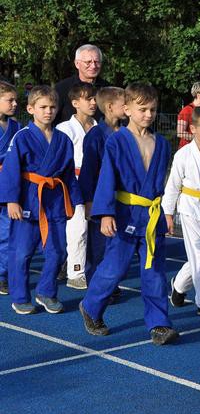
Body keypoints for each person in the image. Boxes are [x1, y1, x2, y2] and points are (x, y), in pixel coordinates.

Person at [79, 83, 178, 345]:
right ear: (127, 109)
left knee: (154, 271)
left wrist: (167, 212)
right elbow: (107, 177)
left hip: (152, 215)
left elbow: (161, 184)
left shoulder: (162, 145)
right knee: (114, 268)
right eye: (142, 109)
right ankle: (91, 306)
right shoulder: (117, 141)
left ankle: (159, 324)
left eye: (153, 109)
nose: (148, 114)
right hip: (124, 214)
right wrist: (105, 214)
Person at [0, 86, 82, 315]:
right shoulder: (22, 137)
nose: (48, 111)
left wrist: (74, 201)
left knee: (58, 251)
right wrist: (11, 201)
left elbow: (68, 174)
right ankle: (20, 296)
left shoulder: (63, 140)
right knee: (21, 252)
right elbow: (11, 170)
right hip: (28, 200)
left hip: (54, 201)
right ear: (31, 109)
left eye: (52, 107)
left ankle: (46, 291)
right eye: (43, 107)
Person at [164, 105, 200, 317]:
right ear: (193, 128)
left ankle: (178, 287)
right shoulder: (184, 154)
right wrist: (168, 214)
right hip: (190, 208)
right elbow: (172, 185)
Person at [78, 87, 126, 288]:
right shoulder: (96, 135)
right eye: (124, 104)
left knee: (118, 243)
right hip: (100, 196)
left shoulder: (128, 133)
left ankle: (111, 282)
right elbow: (88, 171)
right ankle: (96, 283)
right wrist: (89, 202)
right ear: (109, 107)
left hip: (125, 197)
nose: (127, 107)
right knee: (99, 245)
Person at [55, 82, 97, 290]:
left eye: (93, 98)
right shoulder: (64, 128)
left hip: (96, 182)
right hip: (72, 182)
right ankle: (76, 272)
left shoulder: (98, 127)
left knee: (94, 230)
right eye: (87, 99)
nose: (93, 102)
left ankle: (88, 268)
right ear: (75, 103)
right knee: (77, 227)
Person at [0, 81, 21, 297]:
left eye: (16, 100)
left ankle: (2, 275)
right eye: (9, 100)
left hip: (8, 186)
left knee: (7, 233)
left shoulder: (17, 128)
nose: (15, 104)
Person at [54, 44, 110, 124]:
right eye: (88, 62)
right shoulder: (62, 88)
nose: (93, 66)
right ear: (77, 64)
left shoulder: (108, 89)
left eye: (97, 62)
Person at [177, 81, 200, 148]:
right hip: (188, 150)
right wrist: (199, 139)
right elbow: (180, 133)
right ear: (198, 95)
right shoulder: (186, 110)